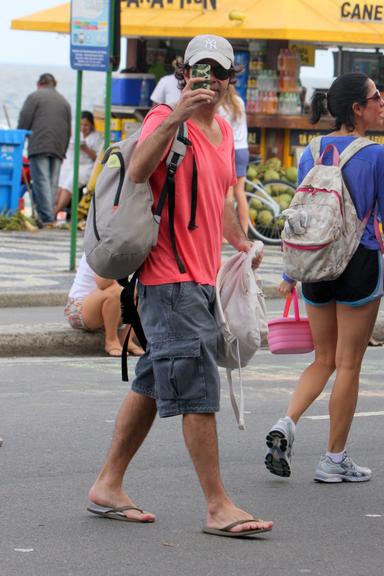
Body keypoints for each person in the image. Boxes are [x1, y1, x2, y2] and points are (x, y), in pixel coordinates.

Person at [87, 34, 273, 538]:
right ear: (183, 72)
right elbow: (140, 172)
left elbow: (216, 205)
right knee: (197, 388)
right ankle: (218, 505)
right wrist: (175, 115)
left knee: (152, 384)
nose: (208, 79)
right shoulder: (165, 120)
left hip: (199, 282)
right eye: (199, 69)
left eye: (218, 70)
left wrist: (241, 246)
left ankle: (107, 484)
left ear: (232, 79)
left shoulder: (220, 132)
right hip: (168, 282)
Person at [265, 72, 384, 483]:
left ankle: (287, 421)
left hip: (314, 266)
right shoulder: (375, 155)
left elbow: (302, 217)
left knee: (323, 359)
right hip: (358, 266)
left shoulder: (310, 151)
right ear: (357, 107)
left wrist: (288, 272)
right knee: (349, 364)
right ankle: (334, 459)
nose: (381, 101)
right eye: (376, 96)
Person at [17, 73, 71, 226]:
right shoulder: (64, 101)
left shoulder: (34, 97)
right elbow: (68, 129)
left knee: (41, 181)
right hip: (58, 147)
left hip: (39, 145)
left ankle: (47, 217)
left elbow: (24, 121)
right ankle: (50, 215)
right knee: (52, 182)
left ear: (39, 84)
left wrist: (20, 138)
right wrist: (64, 149)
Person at [65, 253, 143, 357]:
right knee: (115, 291)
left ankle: (127, 340)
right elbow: (103, 283)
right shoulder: (98, 247)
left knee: (144, 293)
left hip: (112, 309)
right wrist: (113, 256)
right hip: (79, 308)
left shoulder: (131, 249)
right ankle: (111, 341)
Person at [54, 111, 103, 220]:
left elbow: (98, 158)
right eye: (81, 124)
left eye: (86, 125)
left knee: (69, 184)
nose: (83, 127)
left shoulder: (97, 138)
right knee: (60, 184)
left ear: (91, 125)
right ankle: (53, 210)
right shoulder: (75, 134)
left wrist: (86, 149)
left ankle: (55, 212)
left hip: (86, 167)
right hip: (71, 164)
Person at [218, 85, 250, 235]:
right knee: (240, 192)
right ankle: (244, 230)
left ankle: (227, 234)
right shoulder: (239, 101)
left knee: (228, 194)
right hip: (243, 149)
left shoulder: (220, 106)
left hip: (229, 150)